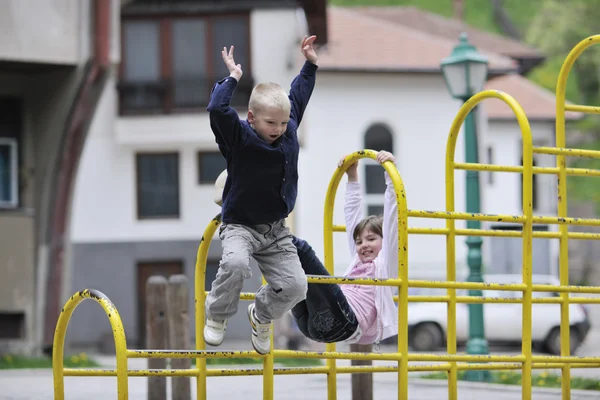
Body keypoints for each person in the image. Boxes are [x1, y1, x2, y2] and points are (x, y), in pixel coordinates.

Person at [203, 36, 319, 355]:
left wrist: (310, 63)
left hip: (275, 230)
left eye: (283, 122)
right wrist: (233, 79)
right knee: (237, 265)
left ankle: (262, 313)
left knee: (297, 287)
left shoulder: (288, 127)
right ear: (252, 119)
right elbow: (216, 108)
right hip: (240, 225)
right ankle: (217, 316)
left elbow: (300, 94)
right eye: (271, 123)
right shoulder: (238, 137)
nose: (278, 128)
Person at [212, 150, 399, 345]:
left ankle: (251, 211)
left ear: (384, 241)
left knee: (300, 249)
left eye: (371, 239)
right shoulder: (357, 261)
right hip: (311, 323)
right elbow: (352, 218)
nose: (363, 245)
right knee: (292, 266)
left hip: (344, 322)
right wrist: (352, 176)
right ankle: (248, 210)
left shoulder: (387, 265)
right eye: (359, 241)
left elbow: (393, 222)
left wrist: (390, 174)